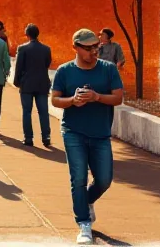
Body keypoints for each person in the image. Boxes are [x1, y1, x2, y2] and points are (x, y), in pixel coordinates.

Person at [51, 29, 124, 245]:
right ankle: (83, 224)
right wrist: (72, 100)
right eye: (89, 48)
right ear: (76, 48)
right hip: (73, 131)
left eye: (96, 47)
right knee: (79, 179)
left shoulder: (108, 69)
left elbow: (118, 98)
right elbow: (55, 100)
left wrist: (97, 97)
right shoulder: (64, 71)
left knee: (104, 180)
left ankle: (87, 202)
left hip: (101, 133)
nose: (94, 51)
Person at [14, 24, 53, 147]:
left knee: (27, 111)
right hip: (42, 82)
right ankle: (46, 137)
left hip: (27, 83)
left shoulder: (23, 49)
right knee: (43, 111)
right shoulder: (46, 49)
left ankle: (28, 138)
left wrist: (17, 81)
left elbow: (19, 67)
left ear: (27, 35)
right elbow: (47, 64)